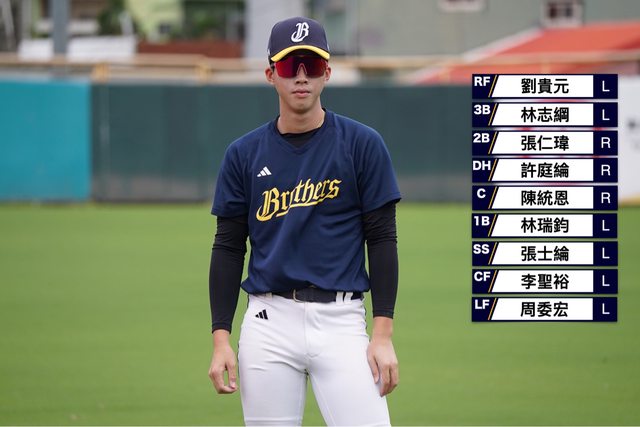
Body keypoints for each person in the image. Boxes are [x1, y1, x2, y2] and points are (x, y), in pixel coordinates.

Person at [208, 16, 401, 426]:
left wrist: (382, 335)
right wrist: (221, 338)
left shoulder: (362, 145)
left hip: (342, 322)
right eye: (288, 65)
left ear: (326, 72)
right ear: (270, 74)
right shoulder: (243, 154)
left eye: (310, 65)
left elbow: (383, 239)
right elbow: (227, 247)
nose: (300, 76)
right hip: (268, 323)